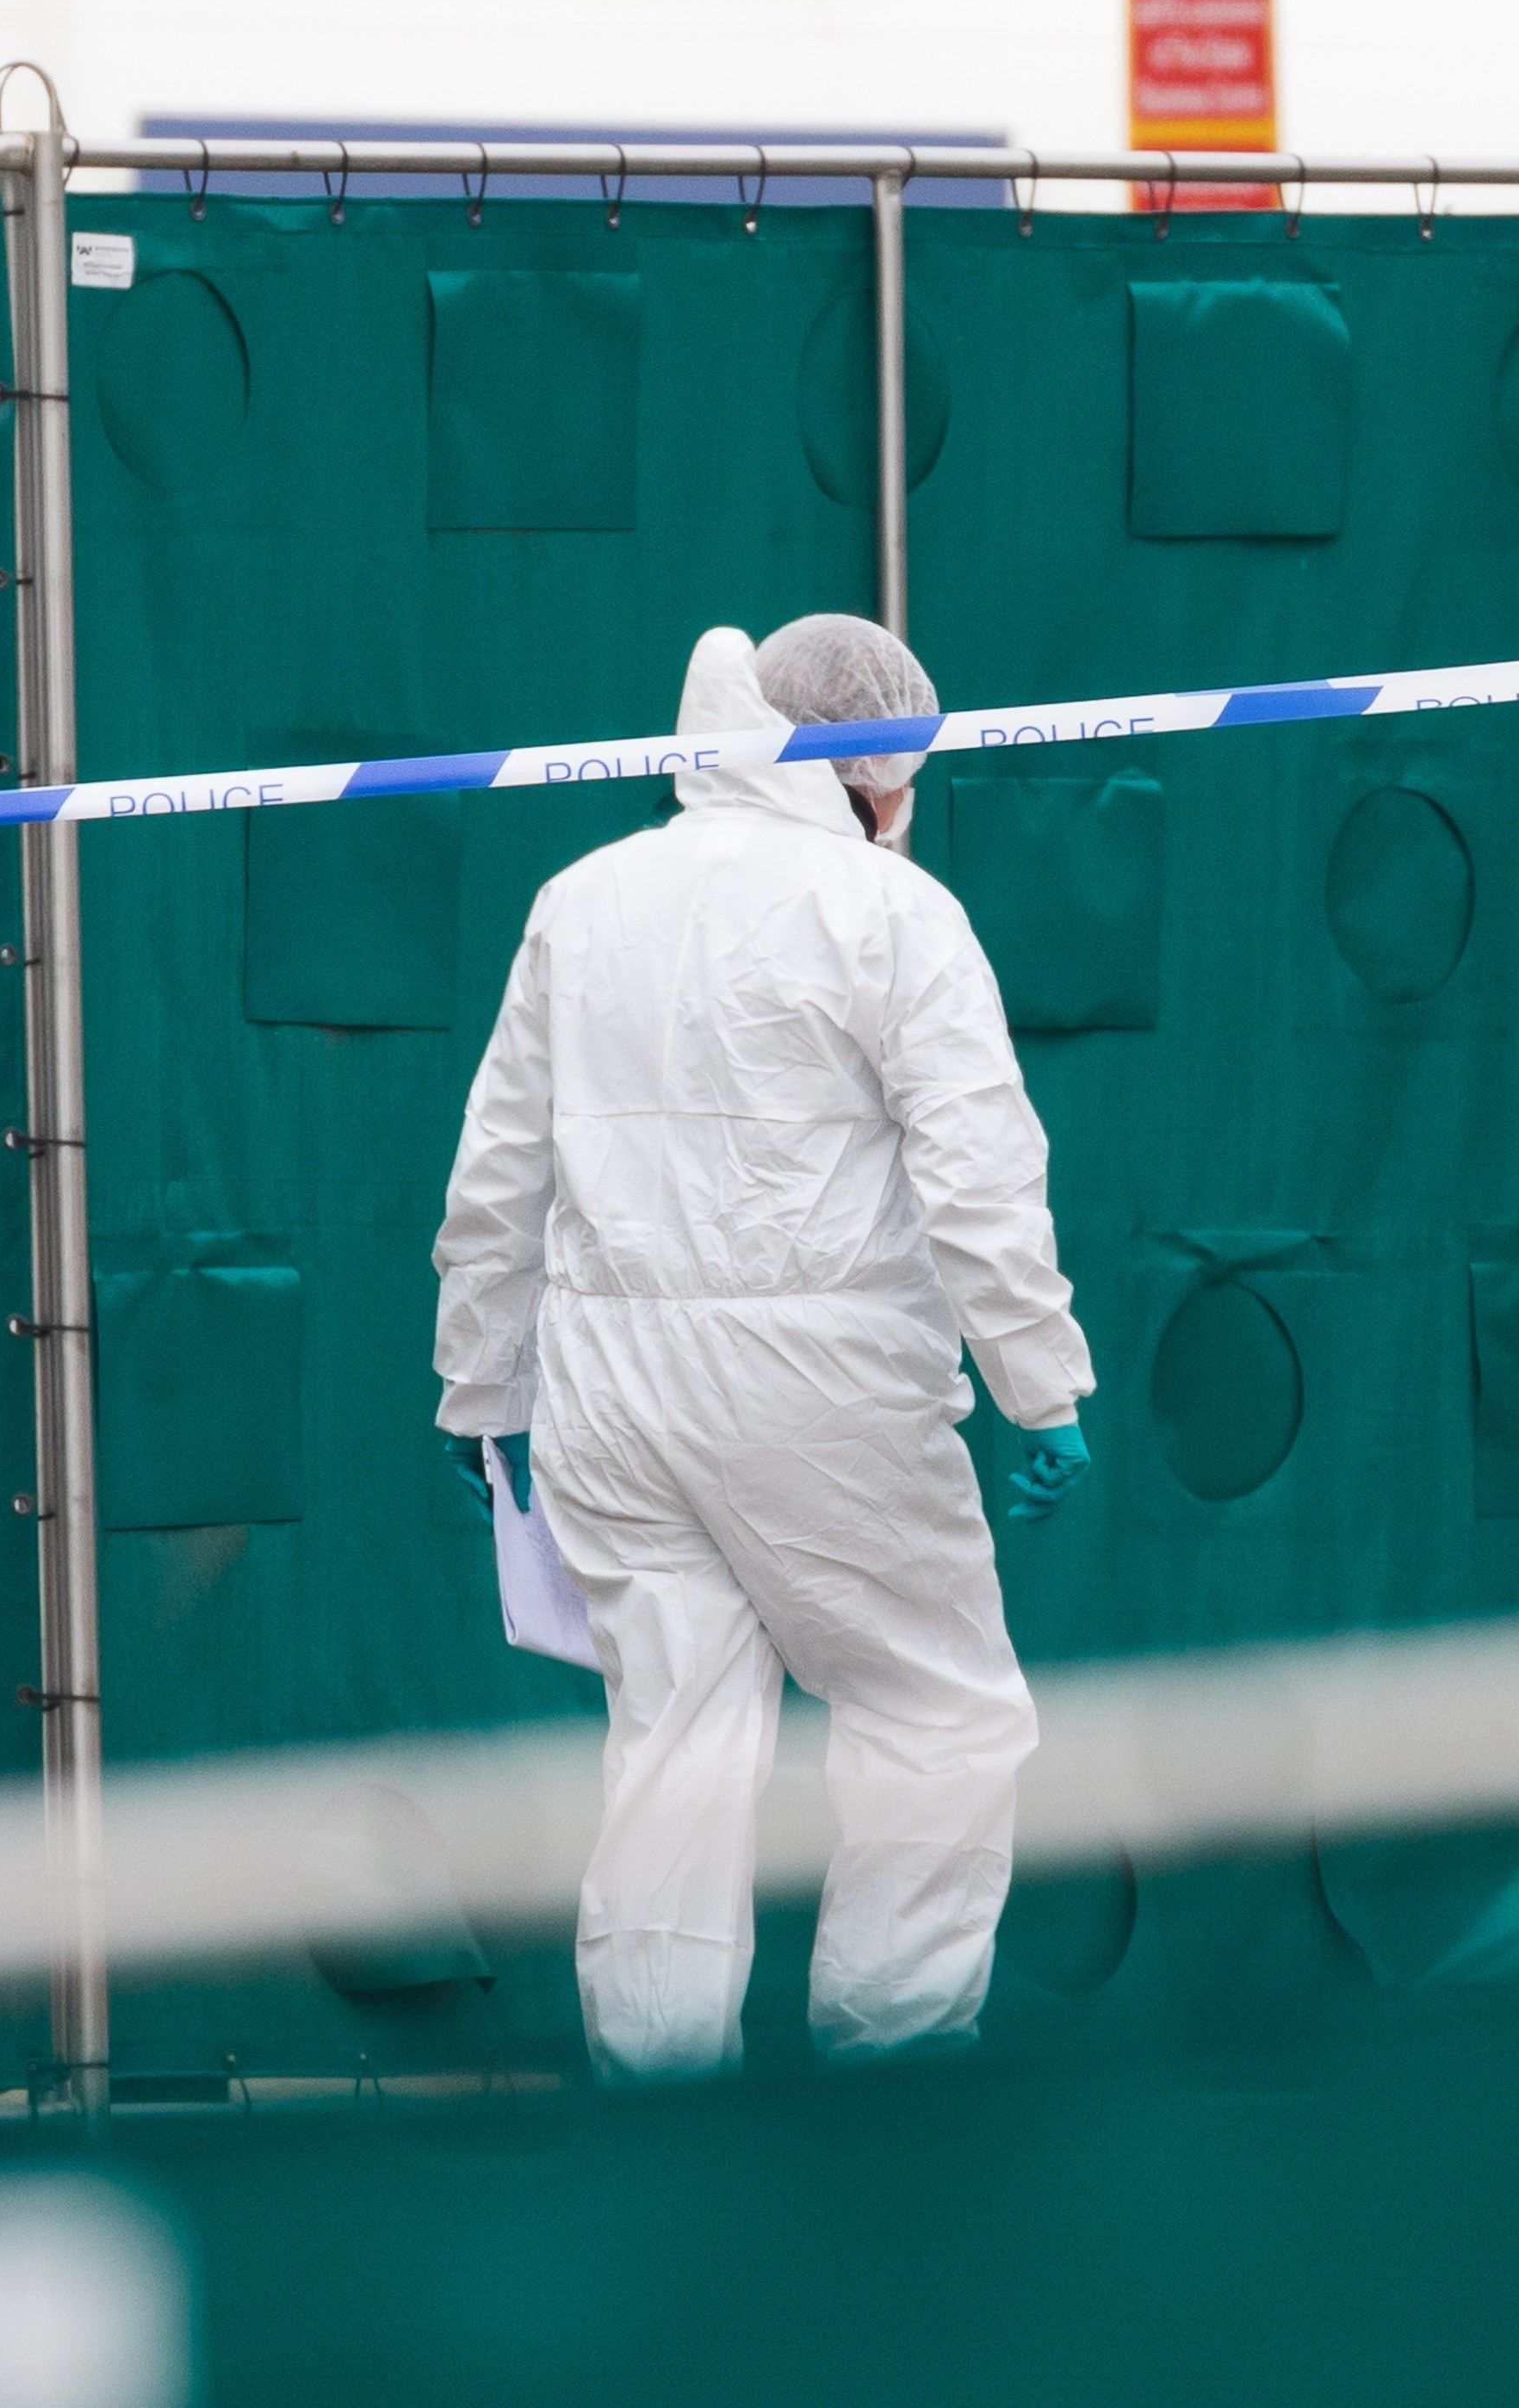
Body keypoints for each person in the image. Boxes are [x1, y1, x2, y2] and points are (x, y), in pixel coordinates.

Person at [432, 615, 1095, 2081]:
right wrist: (1040, 1390)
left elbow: (498, 1174)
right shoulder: (893, 914)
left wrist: (483, 1396)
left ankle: (661, 2141)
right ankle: (889, 2115)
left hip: (610, 1406)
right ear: (875, 773)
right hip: (829, 1400)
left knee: (671, 1761)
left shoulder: (582, 898)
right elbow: (981, 1177)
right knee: (939, 1723)